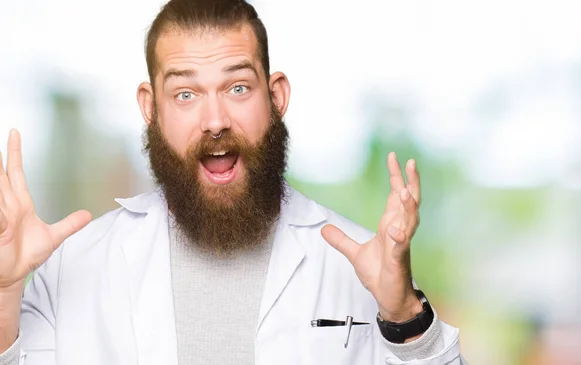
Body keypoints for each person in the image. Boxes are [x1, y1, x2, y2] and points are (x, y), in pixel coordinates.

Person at [0, 0, 467, 364]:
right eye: (185, 93)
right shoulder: (76, 265)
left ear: (276, 95)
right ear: (150, 108)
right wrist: (3, 292)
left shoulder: (361, 267)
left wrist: (405, 313)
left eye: (238, 87)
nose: (216, 120)